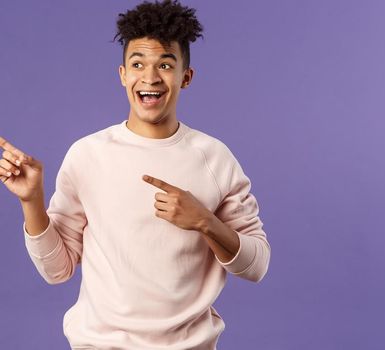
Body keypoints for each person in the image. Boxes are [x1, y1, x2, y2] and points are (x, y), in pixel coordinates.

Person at [0, 0, 271, 348]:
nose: (150, 77)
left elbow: (257, 266)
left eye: (165, 65)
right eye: (138, 64)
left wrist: (205, 221)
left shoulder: (214, 158)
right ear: (123, 75)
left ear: (185, 77)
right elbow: (57, 270)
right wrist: (31, 201)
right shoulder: (88, 155)